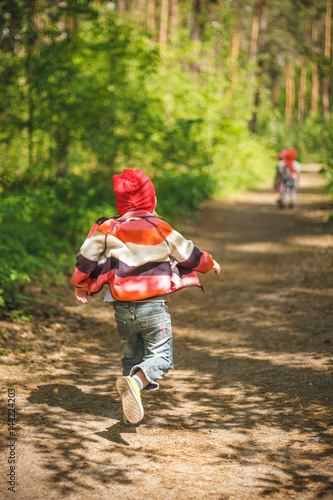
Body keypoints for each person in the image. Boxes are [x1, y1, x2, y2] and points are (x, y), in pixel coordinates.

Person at [71, 169, 220, 424]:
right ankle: (135, 383)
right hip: (154, 308)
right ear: (150, 200)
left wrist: (79, 283)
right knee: (161, 358)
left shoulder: (108, 228)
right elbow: (189, 254)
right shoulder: (159, 227)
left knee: (132, 356)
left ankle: (131, 395)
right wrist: (210, 263)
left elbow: (85, 257)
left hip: (121, 309)